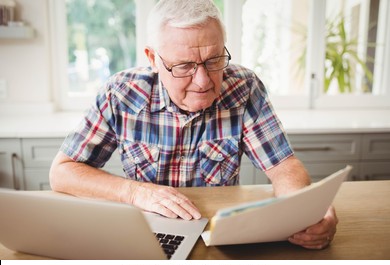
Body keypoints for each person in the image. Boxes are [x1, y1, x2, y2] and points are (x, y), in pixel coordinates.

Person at [50, 0, 337, 250]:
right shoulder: (121, 93)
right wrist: (135, 192)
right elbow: (62, 173)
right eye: (184, 66)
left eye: (214, 60)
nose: (203, 81)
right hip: (148, 235)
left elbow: (283, 166)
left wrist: (305, 212)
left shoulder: (244, 87)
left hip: (222, 235)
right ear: (153, 58)